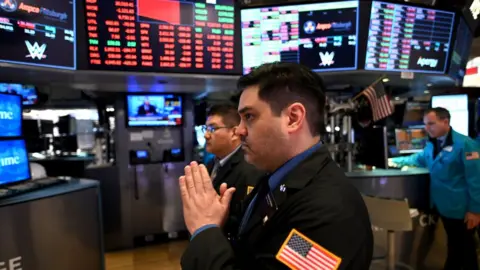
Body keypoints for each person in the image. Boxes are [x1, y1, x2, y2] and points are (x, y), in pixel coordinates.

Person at [178, 62, 373, 269]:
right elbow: (262, 245)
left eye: (249, 117)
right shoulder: (277, 178)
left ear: (293, 118)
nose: (239, 130)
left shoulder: (329, 211)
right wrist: (220, 223)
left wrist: (205, 229)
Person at [389, 107, 480, 270]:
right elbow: (418, 158)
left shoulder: (465, 145)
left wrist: (475, 210)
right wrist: (393, 161)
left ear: (445, 122)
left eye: (431, 123)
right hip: (444, 207)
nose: (427, 128)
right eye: (425, 124)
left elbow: (476, 180)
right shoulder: (433, 144)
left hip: (461, 209)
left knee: (466, 252)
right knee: (455, 247)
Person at [203, 104, 264, 239]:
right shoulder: (210, 165)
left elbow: (248, 220)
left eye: (213, 128)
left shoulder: (249, 168)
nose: (206, 135)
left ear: (234, 132)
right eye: (205, 128)